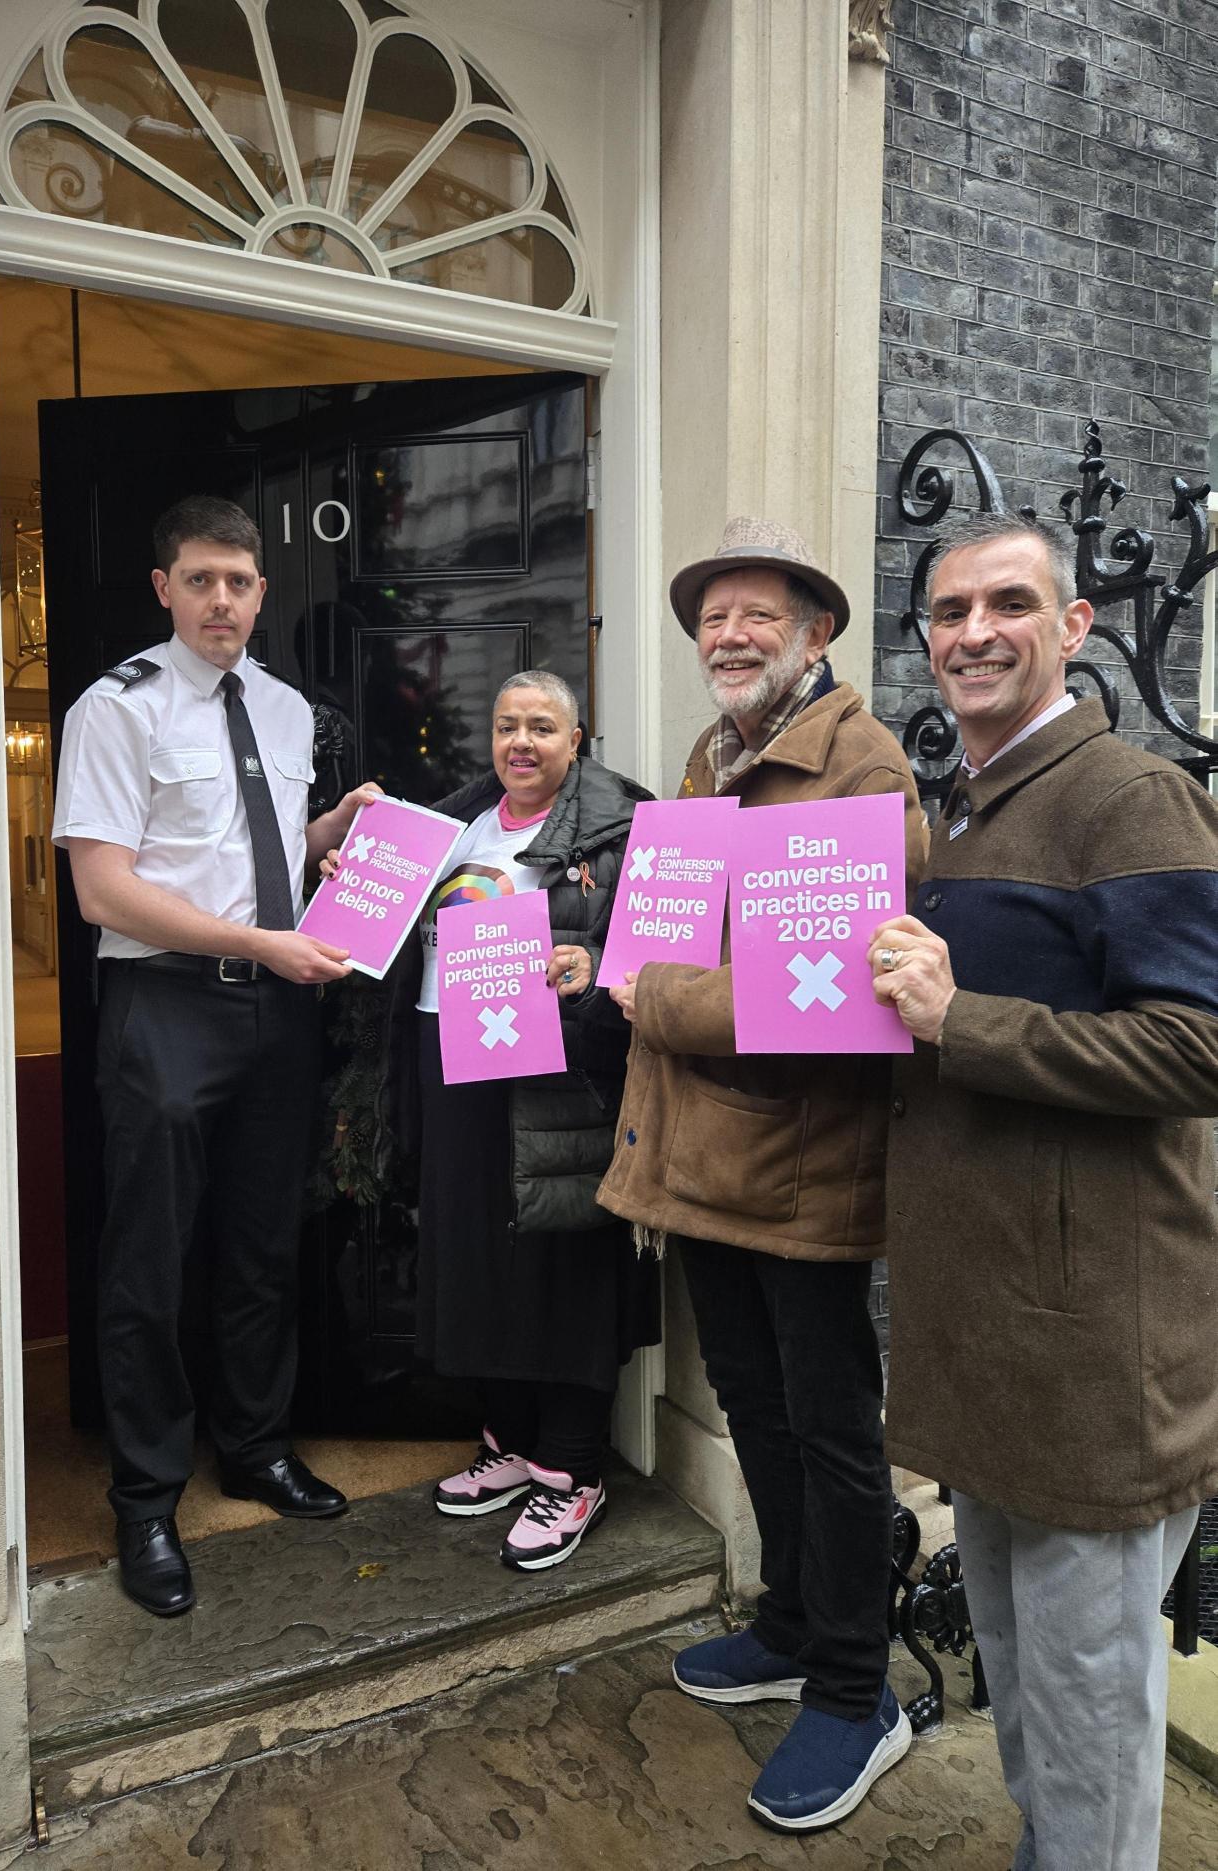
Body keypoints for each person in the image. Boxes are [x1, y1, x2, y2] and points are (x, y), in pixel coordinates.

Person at [869, 510, 1218, 1871]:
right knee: (1023, 1683)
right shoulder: (955, 803)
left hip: (1091, 1352)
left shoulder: (1133, 795)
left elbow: (1200, 1047)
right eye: (950, 611)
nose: (972, 633)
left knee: (1086, 1721)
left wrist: (959, 1018)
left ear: (1075, 627)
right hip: (991, 1331)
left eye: (1008, 603)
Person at [596, 517, 928, 1833]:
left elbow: (832, 980)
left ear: (816, 632)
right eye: (710, 617)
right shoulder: (713, 755)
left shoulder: (860, 760)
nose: (726, 636)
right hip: (704, 1158)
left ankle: (860, 1689)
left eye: (754, 614)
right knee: (754, 1404)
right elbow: (686, 924)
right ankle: (791, 1621)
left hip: (802, 1164)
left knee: (834, 1425)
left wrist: (654, 996)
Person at [53, 494, 380, 1618]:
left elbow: (256, 849)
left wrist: (333, 836)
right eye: (200, 580)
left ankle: (253, 1445)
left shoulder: (286, 711)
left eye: (239, 581)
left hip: (275, 1012)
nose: (222, 600)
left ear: (260, 588)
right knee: (148, 1255)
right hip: (164, 1007)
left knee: (260, 1244)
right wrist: (256, 942)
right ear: (164, 587)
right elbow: (105, 886)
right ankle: (145, 1496)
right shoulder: (116, 708)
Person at [379, 671, 660, 1571]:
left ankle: (574, 1469)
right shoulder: (451, 822)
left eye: (543, 727)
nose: (522, 742)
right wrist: (354, 878)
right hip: (447, 1056)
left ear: (578, 739)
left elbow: (662, 954)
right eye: (507, 726)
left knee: (562, 1257)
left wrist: (592, 965)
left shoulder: (625, 824)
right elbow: (387, 924)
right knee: (470, 1253)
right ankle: (509, 1443)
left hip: (559, 1072)